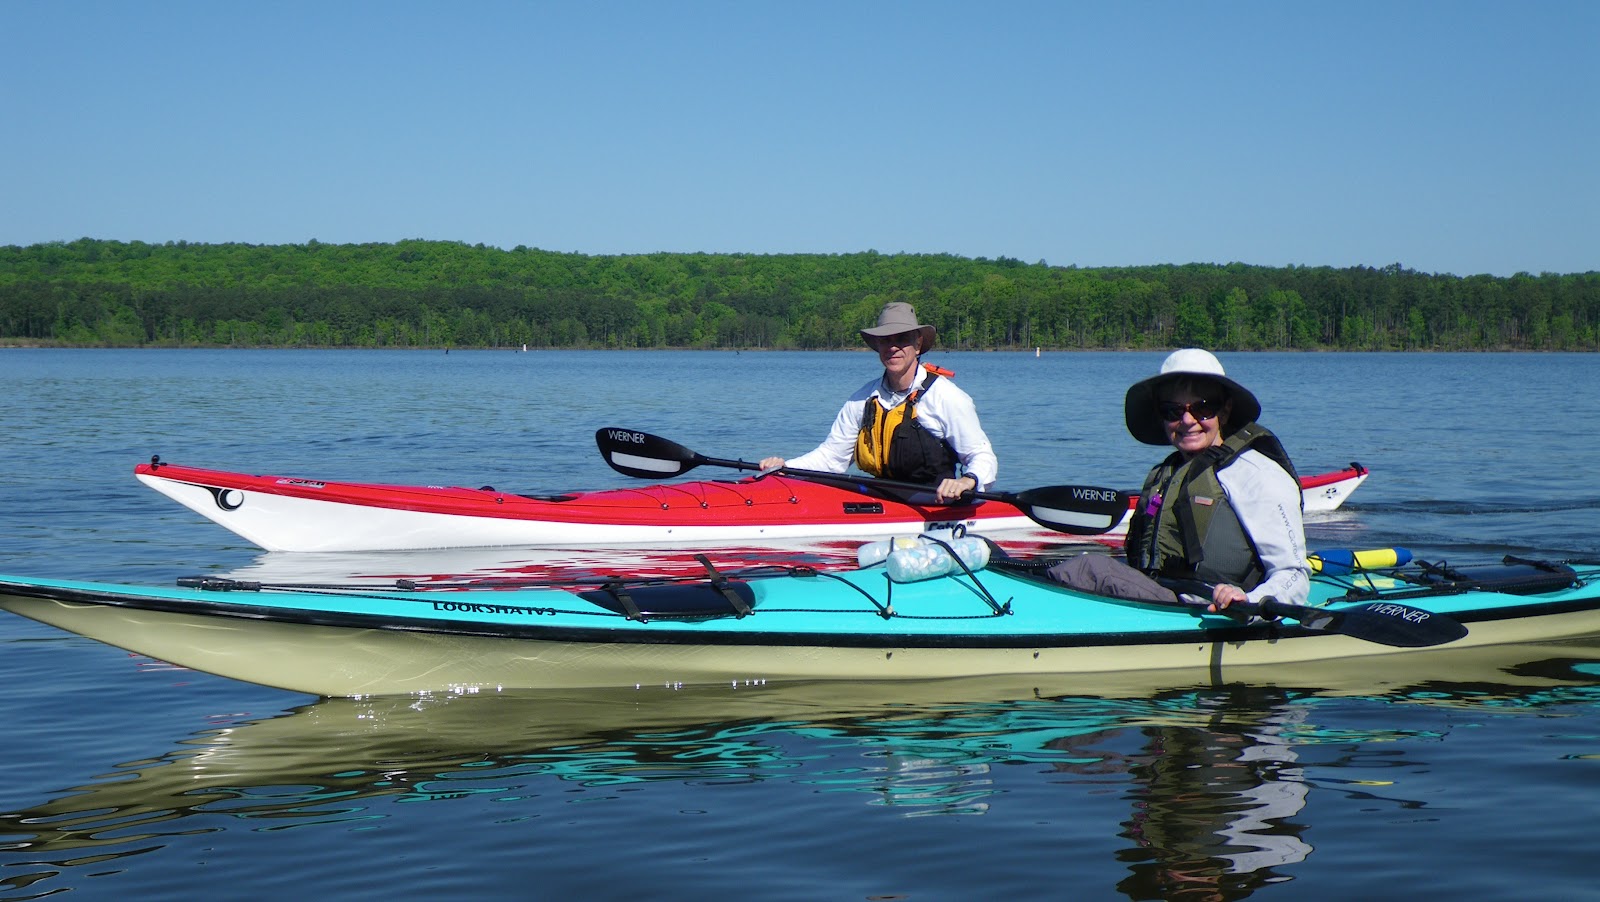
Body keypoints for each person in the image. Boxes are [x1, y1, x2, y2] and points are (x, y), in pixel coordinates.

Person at [1047, 348, 1308, 611]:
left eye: (1203, 408)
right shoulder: (1168, 473)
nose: (1187, 420)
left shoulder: (1256, 474)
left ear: (1225, 411)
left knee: (1090, 568)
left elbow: (1294, 575)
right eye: (1173, 411)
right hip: (1162, 602)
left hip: (1210, 612)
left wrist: (1248, 601)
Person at [759, 301, 997, 504]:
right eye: (885, 340)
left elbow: (981, 455)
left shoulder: (946, 397)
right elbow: (831, 458)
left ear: (917, 344)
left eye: (901, 339)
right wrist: (785, 468)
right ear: (877, 347)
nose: (892, 347)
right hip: (881, 499)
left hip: (935, 502)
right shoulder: (862, 399)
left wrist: (968, 480)